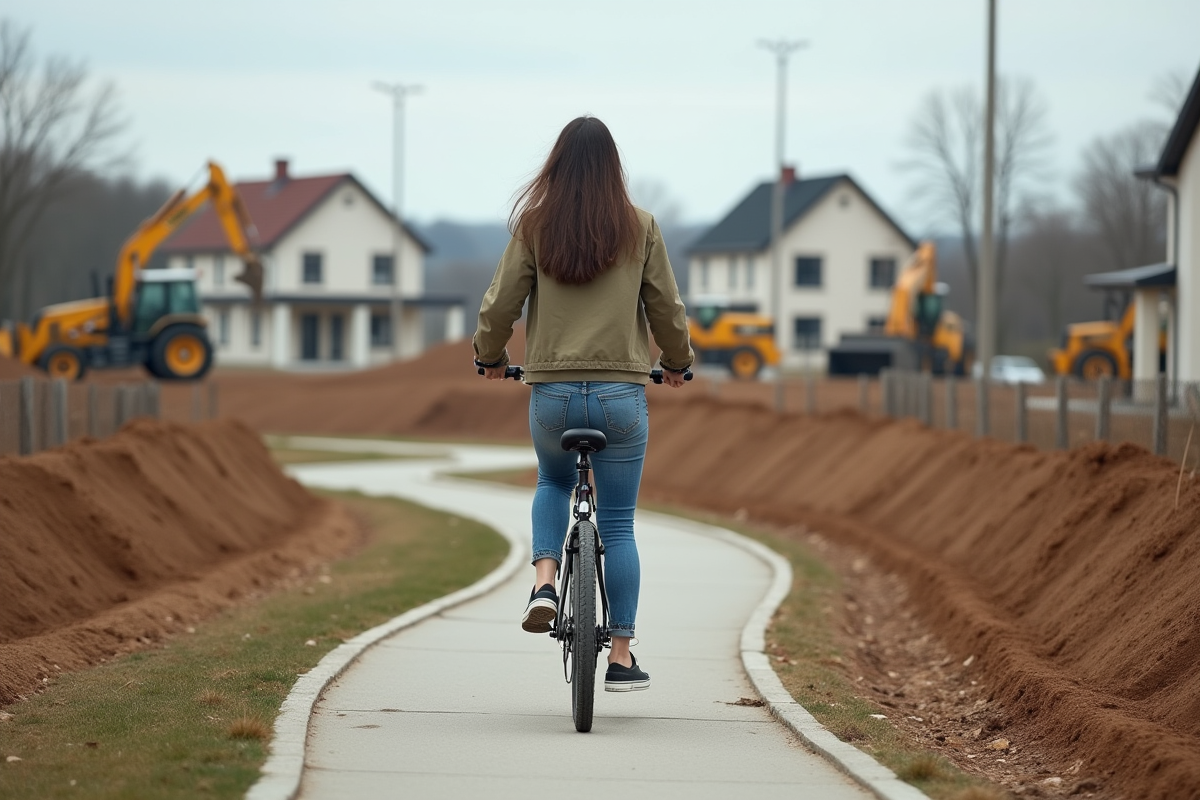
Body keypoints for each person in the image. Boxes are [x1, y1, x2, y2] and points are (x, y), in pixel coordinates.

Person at [473, 116, 693, 693]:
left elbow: (500, 306)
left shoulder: (535, 226)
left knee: (552, 482)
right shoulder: (641, 227)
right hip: (622, 395)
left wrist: (490, 355)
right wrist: (675, 363)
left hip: (553, 395)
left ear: (557, 166)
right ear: (613, 168)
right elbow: (666, 307)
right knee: (618, 524)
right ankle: (620, 655)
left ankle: (545, 582)